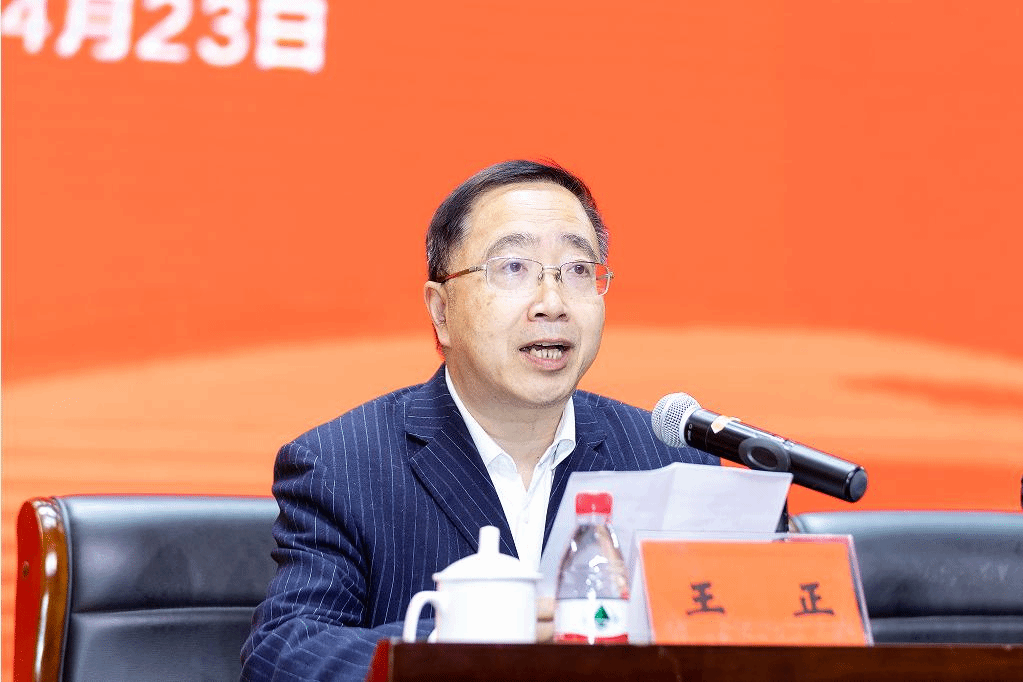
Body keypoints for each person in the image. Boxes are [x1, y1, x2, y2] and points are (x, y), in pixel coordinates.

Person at [240, 160, 717, 681]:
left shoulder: (671, 460)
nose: (552, 303)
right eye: (513, 267)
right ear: (441, 311)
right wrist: (452, 643)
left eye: (578, 270)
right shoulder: (343, 465)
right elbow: (282, 653)